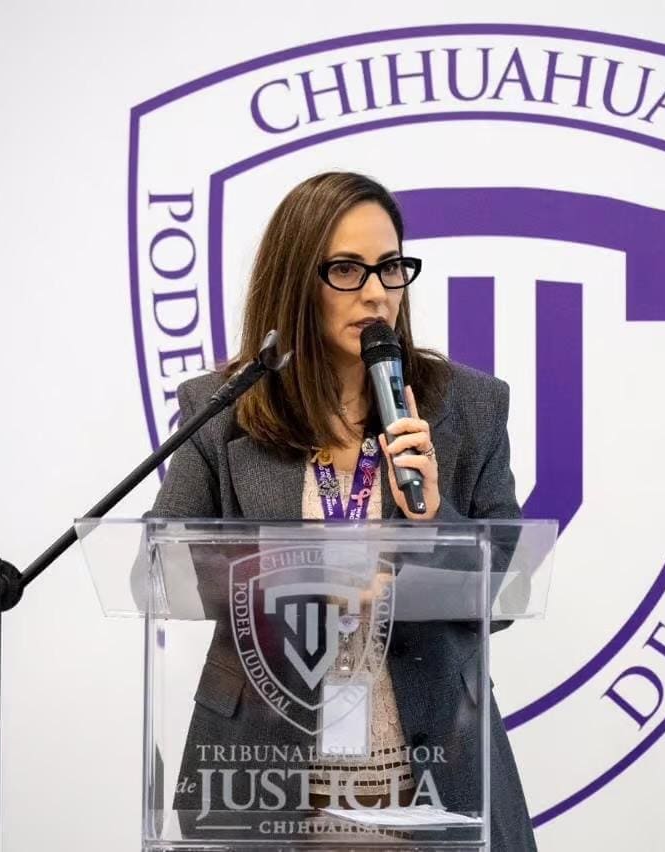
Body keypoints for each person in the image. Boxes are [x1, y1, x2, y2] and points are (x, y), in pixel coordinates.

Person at [151, 171, 537, 850]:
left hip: (435, 782)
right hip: (262, 787)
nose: (377, 292)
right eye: (347, 269)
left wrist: (435, 520)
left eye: (390, 267)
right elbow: (161, 572)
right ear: (295, 280)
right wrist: (303, 573)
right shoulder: (220, 408)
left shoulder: (468, 407)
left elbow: (508, 590)